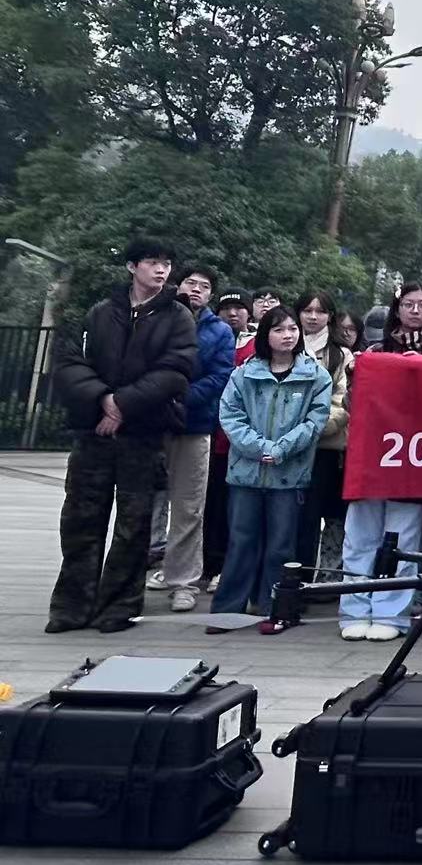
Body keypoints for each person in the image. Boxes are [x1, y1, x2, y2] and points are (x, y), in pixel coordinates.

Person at [48, 239, 198, 634]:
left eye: (166, 263)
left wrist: (122, 405)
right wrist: (103, 400)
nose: (161, 270)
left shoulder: (178, 316)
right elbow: (69, 363)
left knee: (134, 524)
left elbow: (176, 370)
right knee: (80, 518)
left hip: (143, 433)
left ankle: (119, 606)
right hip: (93, 430)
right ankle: (71, 606)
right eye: (152, 262)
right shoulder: (100, 312)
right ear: (132, 266)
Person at [209, 305, 333, 635]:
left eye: (292, 329)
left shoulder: (315, 375)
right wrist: (260, 447)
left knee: (281, 546)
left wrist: (281, 449)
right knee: (241, 541)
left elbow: (315, 421)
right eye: (279, 330)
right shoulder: (245, 373)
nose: (287, 335)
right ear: (265, 335)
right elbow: (230, 416)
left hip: (289, 474)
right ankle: (227, 610)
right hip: (245, 472)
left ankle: (274, 608)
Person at [340, 282, 422, 642]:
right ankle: (354, 609)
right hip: (371, 454)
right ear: (396, 308)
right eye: (408, 304)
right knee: (360, 537)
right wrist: (355, 376)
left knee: (403, 540)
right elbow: (351, 405)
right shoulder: (374, 351)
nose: (415, 311)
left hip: (414, 456)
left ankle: (391, 613)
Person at [146, 262, 235, 613]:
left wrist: (178, 397)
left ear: (211, 295)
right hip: (149, 424)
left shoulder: (220, 331)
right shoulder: (155, 317)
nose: (196, 289)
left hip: (194, 425)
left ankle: (183, 581)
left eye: (204, 285)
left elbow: (219, 376)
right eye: (191, 282)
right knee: (142, 503)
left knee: (189, 507)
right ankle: (136, 572)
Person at [292, 292, 352, 581]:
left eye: (320, 311)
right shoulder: (284, 344)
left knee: (316, 514)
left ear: (330, 316)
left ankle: (312, 579)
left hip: (324, 446)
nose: (313, 317)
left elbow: (343, 402)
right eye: (307, 310)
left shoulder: (341, 355)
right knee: (291, 517)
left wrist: (310, 428)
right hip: (283, 447)